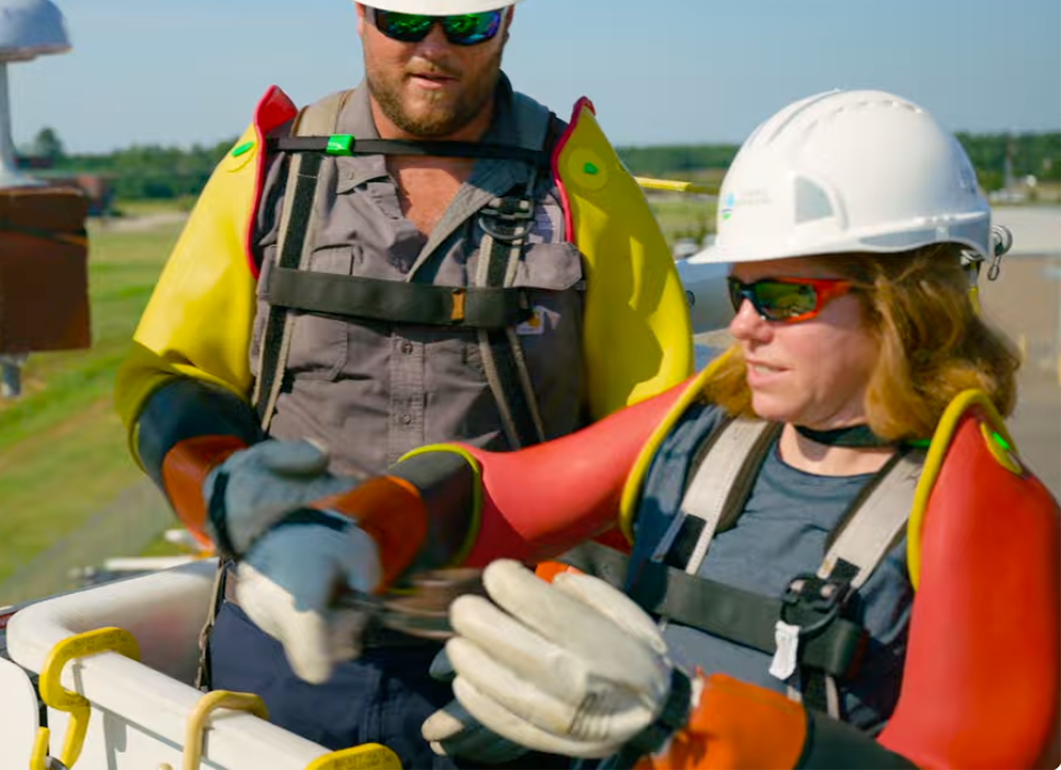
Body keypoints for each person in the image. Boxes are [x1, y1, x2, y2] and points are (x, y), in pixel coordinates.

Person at [232, 89, 1061, 769]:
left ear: (906, 300)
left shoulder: (981, 502)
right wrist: (355, 527)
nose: (742, 327)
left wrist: (680, 723)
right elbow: (499, 496)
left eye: (781, 298)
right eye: (739, 292)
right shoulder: (715, 419)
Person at [112, 0, 694, 766]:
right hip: (284, 652)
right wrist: (227, 497)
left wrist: (586, 622)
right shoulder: (272, 172)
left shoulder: (579, 186)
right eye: (401, 18)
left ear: (507, 19)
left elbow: (651, 438)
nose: (431, 49)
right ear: (358, 11)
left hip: (509, 660)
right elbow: (164, 379)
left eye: (465, 24)